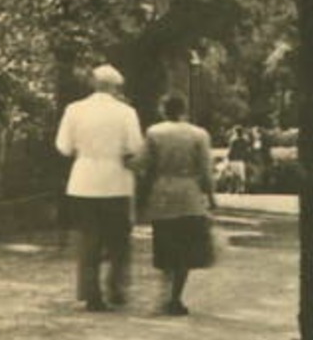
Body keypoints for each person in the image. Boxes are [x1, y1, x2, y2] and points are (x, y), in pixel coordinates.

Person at [55, 64, 144, 311]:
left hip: (83, 180)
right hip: (116, 180)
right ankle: (115, 288)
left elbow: (63, 147)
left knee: (88, 238)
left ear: (93, 84)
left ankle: (91, 294)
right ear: (116, 87)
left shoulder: (74, 110)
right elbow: (135, 147)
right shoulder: (126, 112)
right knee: (118, 239)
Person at [137, 94, 217, 316]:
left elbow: (142, 163)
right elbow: (205, 170)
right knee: (185, 248)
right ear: (184, 110)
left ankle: (164, 291)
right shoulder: (199, 134)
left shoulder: (154, 132)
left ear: (163, 110)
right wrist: (211, 197)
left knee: (165, 244)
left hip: (162, 194)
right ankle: (175, 298)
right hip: (189, 193)